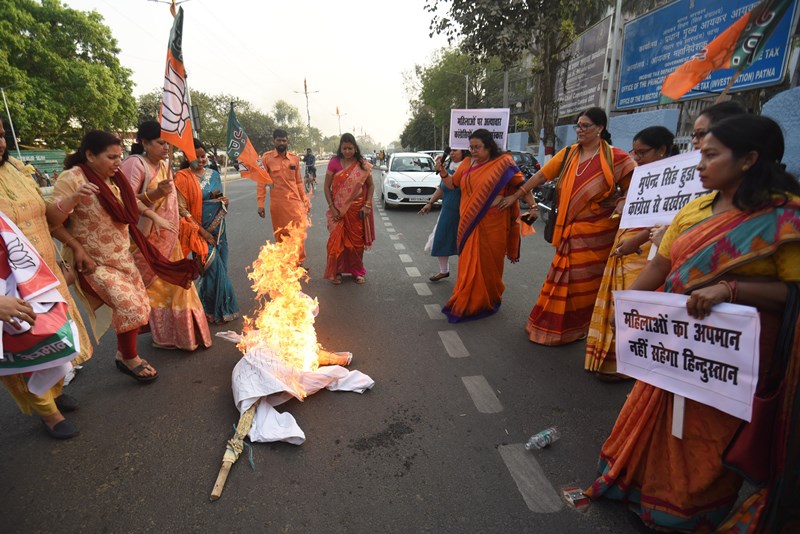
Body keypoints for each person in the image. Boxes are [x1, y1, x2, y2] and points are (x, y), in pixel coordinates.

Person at [585, 115, 800, 532]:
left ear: (748, 159)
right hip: (675, 340)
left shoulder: (783, 218)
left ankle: (688, 508)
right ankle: (639, 489)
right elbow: (663, 267)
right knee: (654, 418)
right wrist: (629, 309)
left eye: (711, 155)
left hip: (730, 354)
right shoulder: (695, 208)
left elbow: (794, 294)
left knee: (705, 435)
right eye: (700, 153)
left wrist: (731, 290)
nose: (699, 164)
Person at [51, 130, 198, 383]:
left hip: (122, 256)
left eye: (119, 156)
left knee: (141, 306)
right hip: (93, 261)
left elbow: (129, 203)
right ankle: (130, 358)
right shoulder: (72, 178)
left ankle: (123, 354)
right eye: (111, 157)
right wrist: (77, 243)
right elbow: (53, 221)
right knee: (128, 305)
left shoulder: (115, 178)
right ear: (89, 155)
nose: (118, 162)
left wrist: (153, 215)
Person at [502, 107, 635, 345]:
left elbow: (634, 186)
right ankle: (556, 327)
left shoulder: (616, 157)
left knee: (587, 284)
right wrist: (518, 194)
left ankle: (582, 327)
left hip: (600, 232)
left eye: (586, 126)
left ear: (600, 128)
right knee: (563, 278)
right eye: (578, 126)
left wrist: (623, 201)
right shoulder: (568, 154)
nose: (580, 130)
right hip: (570, 230)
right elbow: (542, 176)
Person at [0, 122, 93, 439]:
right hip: (8, 286)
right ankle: (46, 411)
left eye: (0, 134)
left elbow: (47, 219)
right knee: (28, 345)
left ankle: (52, 389)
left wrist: (71, 201)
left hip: (42, 274)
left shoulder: (15, 168)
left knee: (55, 335)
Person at [584, 126, 679, 380]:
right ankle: (609, 359)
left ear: (662, 151)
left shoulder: (676, 178)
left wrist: (635, 238)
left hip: (648, 251)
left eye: (643, 152)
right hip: (626, 243)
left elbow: (670, 220)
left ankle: (629, 365)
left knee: (637, 306)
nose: (636, 158)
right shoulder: (641, 174)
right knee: (617, 303)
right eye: (634, 152)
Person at [120, 121, 211, 351]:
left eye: (168, 145)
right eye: (161, 143)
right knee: (159, 290)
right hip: (147, 240)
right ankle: (165, 338)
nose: (165, 149)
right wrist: (154, 201)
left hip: (170, 238)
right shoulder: (135, 164)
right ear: (144, 143)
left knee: (180, 285)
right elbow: (125, 201)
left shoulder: (164, 165)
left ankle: (187, 335)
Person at [441, 129, 534, 322]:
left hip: (494, 222)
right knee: (468, 263)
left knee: (490, 264)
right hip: (468, 222)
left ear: (488, 146)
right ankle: (469, 299)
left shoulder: (503, 163)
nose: (473, 151)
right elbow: (453, 185)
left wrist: (527, 204)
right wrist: (443, 172)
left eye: (477, 147)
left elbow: (522, 185)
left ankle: (490, 298)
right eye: (471, 147)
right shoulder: (466, 163)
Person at [174, 139, 239, 324]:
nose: (202, 160)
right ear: (187, 157)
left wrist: (224, 201)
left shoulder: (214, 174)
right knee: (211, 268)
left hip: (219, 229)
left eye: (203, 156)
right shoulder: (182, 177)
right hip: (198, 231)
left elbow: (216, 195)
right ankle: (214, 309)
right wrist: (202, 232)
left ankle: (210, 308)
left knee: (221, 268)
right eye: (197, 157)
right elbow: (182, 210)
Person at [323, 133, 375, 284]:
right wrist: (332, 207)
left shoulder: (362, 164)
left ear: (355, 148)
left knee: (356, 244)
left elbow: (370, 185)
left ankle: (357, 271)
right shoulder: (334, 163)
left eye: (350, 148)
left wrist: (367, 205)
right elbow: (327, 187)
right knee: (336, 242)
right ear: (340, 148)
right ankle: (337, 272)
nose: (347, 151)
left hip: (357, 210)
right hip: (338, 210)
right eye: (344, 148)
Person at [258, 129, 310, 264]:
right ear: (273, 141)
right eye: (279, 140)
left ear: (287, 141)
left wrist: (305, 200)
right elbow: (262, 182)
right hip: (277, 205)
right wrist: (260, 204)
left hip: (294, 203)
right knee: (281, 234)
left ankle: (299, 262)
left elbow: (298, 182)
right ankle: (286, 263)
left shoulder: (294, 159)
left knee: (297, 232)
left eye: (284, 140)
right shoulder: (266, 158)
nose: (282, 143)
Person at [418, 149, 468, 282]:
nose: (452, 153)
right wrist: (430, 202)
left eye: (455, 150)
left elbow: (454, 186)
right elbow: (442, 188)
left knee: (465, 244)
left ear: (464, 152)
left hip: (464, 212)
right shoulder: (448, 168)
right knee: (440, 239)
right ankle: (443, 270)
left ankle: (467, 276)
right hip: (447, 211)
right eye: (450, 151)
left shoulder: (468, 168)